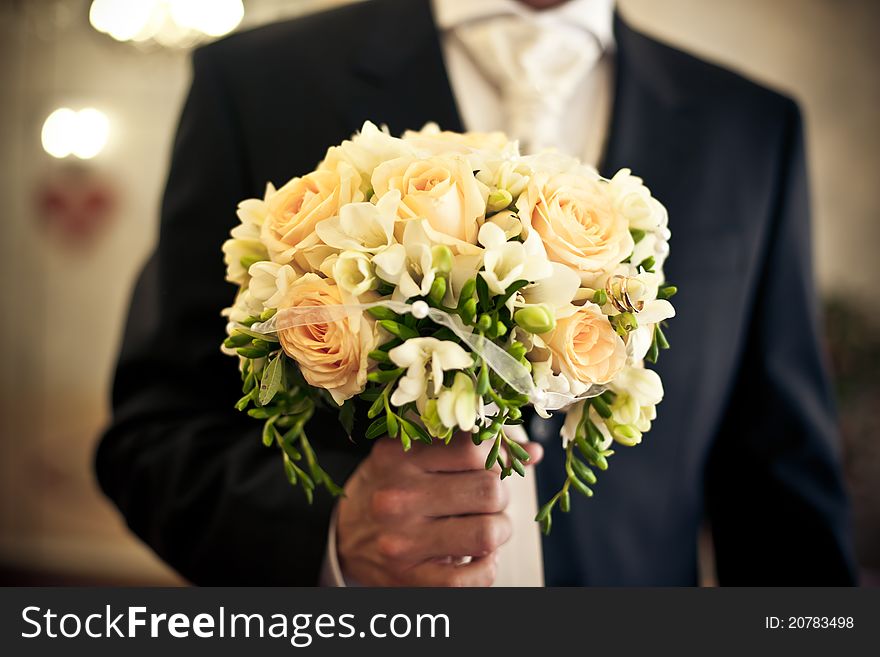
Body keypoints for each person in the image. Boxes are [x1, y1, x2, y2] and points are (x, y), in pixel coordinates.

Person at [96, 0, 857, 586]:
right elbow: (152, 435)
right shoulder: (255, 85)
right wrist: (329, 536)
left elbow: (781, 481)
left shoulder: (752, 128)